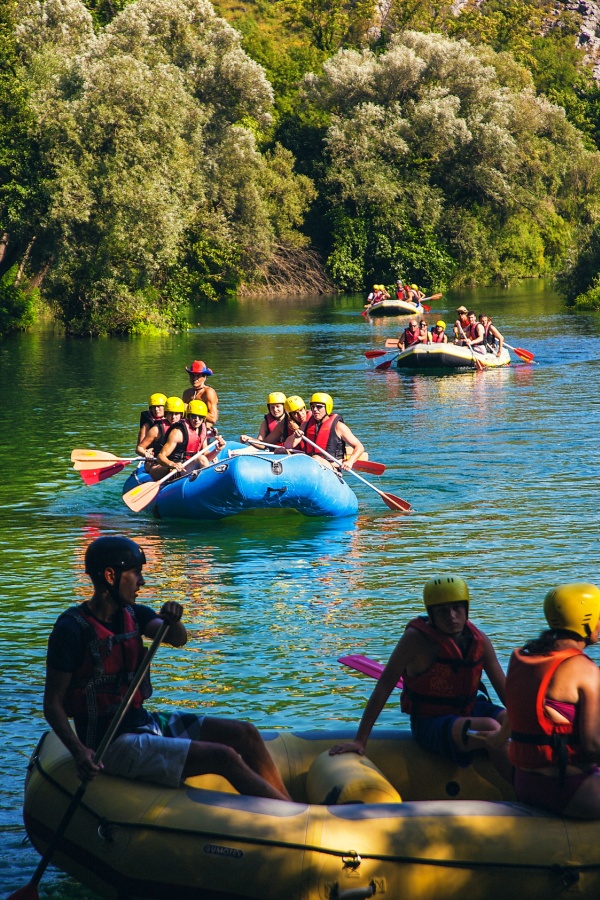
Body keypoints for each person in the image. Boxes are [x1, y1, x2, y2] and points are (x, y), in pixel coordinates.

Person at [43, 536, 291, 800]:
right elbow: (53, 702)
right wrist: (80, 752)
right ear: (110, 575)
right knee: (224, 756)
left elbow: (178, 638)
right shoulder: (71, 629)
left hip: (143, 723)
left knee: (246, 734)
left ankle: (291, 806)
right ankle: (294, 818)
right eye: (136, 574)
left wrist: (172, 620)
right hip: (110, 745)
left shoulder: (135, 615)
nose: (142, 582)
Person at [330, 575, 508, 770]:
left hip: (471, 710)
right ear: (431, 614)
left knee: (511, 718)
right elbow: (383, 688)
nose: (452, 617)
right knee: (490, 727)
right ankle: (520, 792)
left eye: (457, 608)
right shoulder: (415, 640)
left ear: (466, 608)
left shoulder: (479, 640)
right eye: (442, 611)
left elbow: (506, 691)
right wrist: (360, 740)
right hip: (430, 723)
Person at [502, 583, 600, 818]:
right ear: (586, 621)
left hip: (525, 782)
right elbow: (593, 745)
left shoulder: (526, 657)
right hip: (566, 788)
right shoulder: (584, 670)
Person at [286, 393, 365, 471]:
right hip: (310, 466)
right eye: (312, 407)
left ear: (327, 407)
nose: (315, 409)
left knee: (316, 458)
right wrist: (295, 436)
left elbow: (359, 447)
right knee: (280, 451)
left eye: (319, 407)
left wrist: (350, 462)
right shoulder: (306, 424)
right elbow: (288, 445)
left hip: (332, 468)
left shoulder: (338, 426)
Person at [156, 399, 224, 477]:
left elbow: (206, 456)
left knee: (202, 458)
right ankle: (210, 481)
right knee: (201, 459)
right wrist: (172, 464)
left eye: (200, 417)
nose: (197, 420)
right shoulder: (178, 432)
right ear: (188, 416)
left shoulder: (202, 430)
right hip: (175, 469)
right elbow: (160, 456)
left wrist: (217, 450)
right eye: (194, 416)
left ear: (204, 418)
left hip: (190, 465)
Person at [142, 397, 185, 479]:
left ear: (181, 415)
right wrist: (145, 453)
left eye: (176, 414)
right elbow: (139, 448)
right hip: (158, 464)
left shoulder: (184, 429)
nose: (173, 417)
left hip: (179, 463)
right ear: (166, 414)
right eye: (170, 414)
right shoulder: (156, 429)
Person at [182, 360, 219, 426]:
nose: (195, 379)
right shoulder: (186, 393)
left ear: (204, 377)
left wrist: (190, 409)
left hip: (204, 429)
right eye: (192, 375)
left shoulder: (208, 392)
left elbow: (213, 418)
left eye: (198, 376)